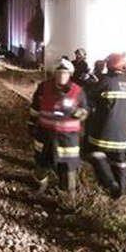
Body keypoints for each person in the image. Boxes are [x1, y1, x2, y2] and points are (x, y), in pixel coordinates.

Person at [28, 58, 90, 197]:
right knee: (41, 164)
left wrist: (79, 113)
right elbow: (35, 108)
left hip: (67, 138)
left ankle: (67, 199)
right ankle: (40, 186)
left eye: (65, 73)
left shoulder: (77, 91)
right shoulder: (44, 88)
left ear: (70, 74)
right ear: (54, 73)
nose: (62, 76)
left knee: (68, 169)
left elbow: (85, 110)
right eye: (59, 72)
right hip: (45, 135)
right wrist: (32, 124)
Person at [85, 53, 126, 198]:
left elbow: (89, 99)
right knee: (119, 161)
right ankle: (120, 193)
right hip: (122, 134)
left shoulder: (105, 82)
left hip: (103, 132)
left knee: (94, 154)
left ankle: (110, 183)